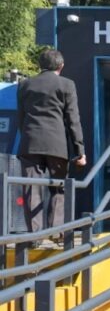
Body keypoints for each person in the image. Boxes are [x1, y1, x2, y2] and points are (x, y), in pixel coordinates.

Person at [17, 49, 87, 241]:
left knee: (31, 189)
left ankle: (35, 235)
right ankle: (56, 233)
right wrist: (79, 151)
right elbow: (73, 119)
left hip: (30, 144)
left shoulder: (24, 85)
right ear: (61, 66)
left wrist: (28, 138)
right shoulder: (66, 85)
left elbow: (21, 118)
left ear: (40, 65)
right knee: (59, 188)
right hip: (57, 146)